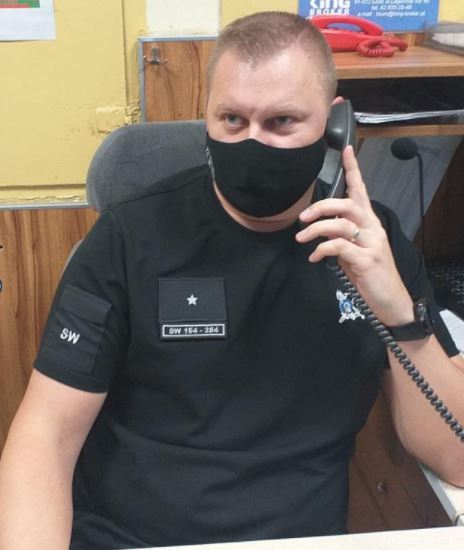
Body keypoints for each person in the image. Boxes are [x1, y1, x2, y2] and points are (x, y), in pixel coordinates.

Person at [1, 11, 464, 549]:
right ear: (207, 117)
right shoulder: (129, 237)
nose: (252, 142)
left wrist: (399, 312)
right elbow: (45, 437)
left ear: (336, 123)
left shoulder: (372, 244)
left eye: (282, 121)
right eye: (233, 120)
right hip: (130, 538)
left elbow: (456, 457)